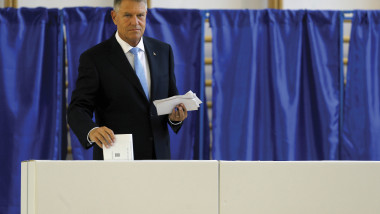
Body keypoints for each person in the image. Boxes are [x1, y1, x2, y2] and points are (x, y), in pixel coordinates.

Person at [67, 0, 187, 160]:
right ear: (114, 17)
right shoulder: (94, 58)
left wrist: (175, 118)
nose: (135, 22)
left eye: (140, 15)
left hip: (159, 160)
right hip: (117, 158)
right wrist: (92, 131)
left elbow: (171, 99)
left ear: (146, 16)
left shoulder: (164, 51)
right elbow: (78, 109)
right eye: (127, 15)